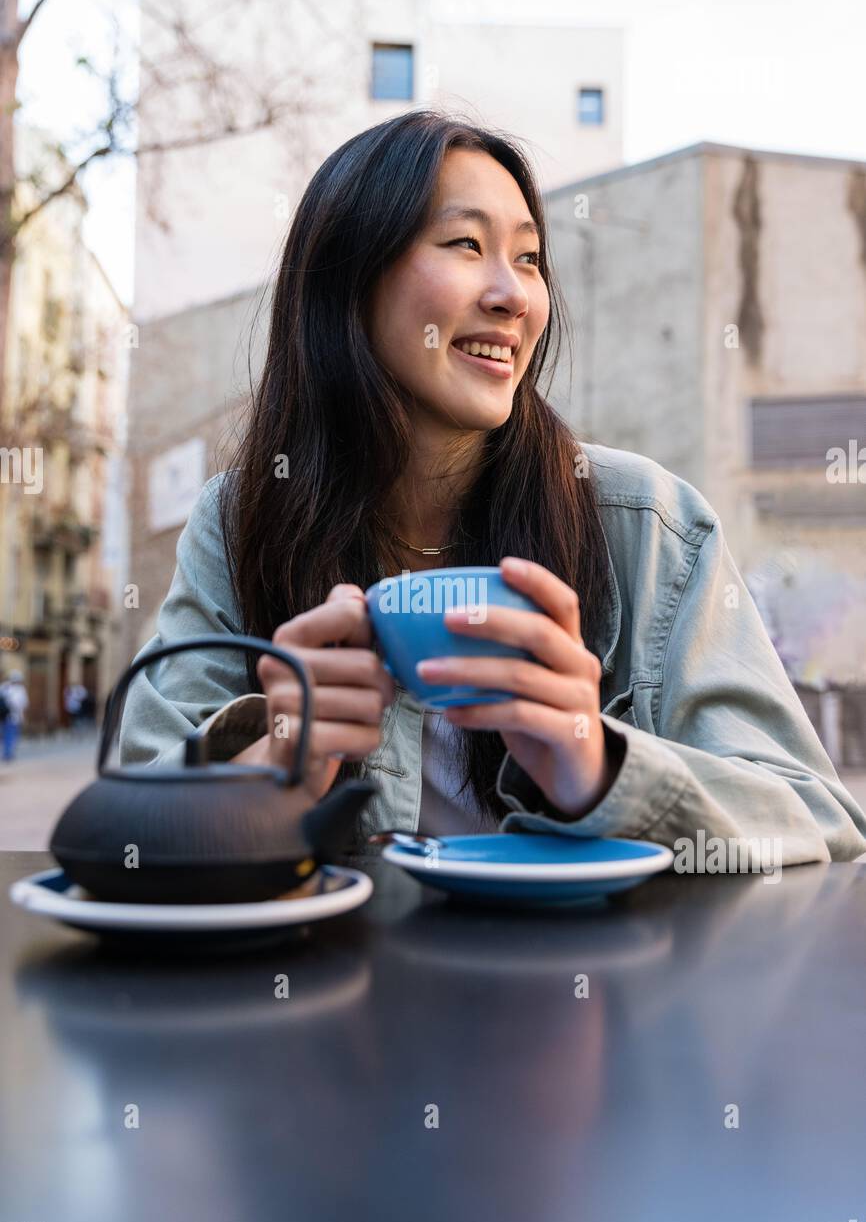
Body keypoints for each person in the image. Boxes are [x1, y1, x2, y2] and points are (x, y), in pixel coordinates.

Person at [118, 111, 866, 869]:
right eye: (467, 245)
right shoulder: (243, 517)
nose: (514, 297)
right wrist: (278, 762)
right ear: (350, 281)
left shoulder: (645, 524)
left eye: (531, 258)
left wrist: (597, 766)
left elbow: (819, 825)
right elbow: (129, 834)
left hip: (593, 987)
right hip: (325, 984)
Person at [1, 669, 29, 762]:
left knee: (6, 734)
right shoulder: (20, 690)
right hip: (13, 716)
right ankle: (8, 753)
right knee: (11, 735)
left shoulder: (3, 687)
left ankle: (7, 753)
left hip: (3, 716)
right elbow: (23, 704)